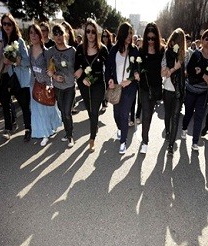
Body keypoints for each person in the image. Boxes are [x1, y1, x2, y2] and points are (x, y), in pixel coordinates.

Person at [105, 22, 140, 154]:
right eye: (128, 33)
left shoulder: (134, 50)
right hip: (116, 87)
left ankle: (123, 142)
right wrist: (110, 80)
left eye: (131, 33)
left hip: (130, 88)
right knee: (116, 114)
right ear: (122, 34)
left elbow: (137, 68)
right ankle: (120, 128)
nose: (130, 36)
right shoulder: (114, 50)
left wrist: (133, 77)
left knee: (125, 114)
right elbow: (108, 68)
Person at [74, 19, 108, 152]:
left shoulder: (102, 49)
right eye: (88, 31)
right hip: (84, 85)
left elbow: (110, 66)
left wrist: (111, 80)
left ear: (96, 33)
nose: (90, 34)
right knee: (90, 111)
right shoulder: (80, 49)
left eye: (93, 31)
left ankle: (92, 138)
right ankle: (95, 124)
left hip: (99, 84)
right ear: (85, 33)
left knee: (94, 110)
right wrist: (82, 78)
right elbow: (75, 67)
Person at [28, 24, 61, 147]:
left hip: (45, 84)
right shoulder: (29, 50)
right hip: (34, 84)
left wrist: (49, 84)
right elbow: (31, 67)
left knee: (48, 109)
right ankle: (44, 133)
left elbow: (51, 69)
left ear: (40, 35)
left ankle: (50, 128)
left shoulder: (46, 52)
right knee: (37, 111)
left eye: (36, 33)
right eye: (31, 33)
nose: (34, 36)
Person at [181, 29, 208, 151]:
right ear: (202, 40)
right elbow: (189, 70)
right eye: (207, 38)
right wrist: (202, 75)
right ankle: (184, 129)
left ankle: (195, 142)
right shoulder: (196, 54)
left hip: (203, 92)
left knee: (199, 116)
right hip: (191, 90)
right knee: (188, 113)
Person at [2, 13, 32, 141]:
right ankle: (29, 127)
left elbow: (27, 62)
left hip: (24, 79)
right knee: (21, 104)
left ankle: (28, 129)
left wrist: (15, 61)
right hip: (13, 78)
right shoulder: (4, 41)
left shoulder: (19, 41)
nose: (7, 26)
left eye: (9, 24)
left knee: (25, 106)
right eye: (4, 24)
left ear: (13, 25)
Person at [47, 24, 77, 147]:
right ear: (53, 36)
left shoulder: (72, 51)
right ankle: (67, 131)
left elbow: (78, 67)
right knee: (61, 110)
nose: (58, 36)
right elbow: (49, 70)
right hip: (57, 87)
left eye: (60, 33)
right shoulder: (50, 52)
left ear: (65, 34)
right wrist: (54, 76)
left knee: (66, 112)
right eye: (56, 34)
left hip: (69, 86)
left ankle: (70, 136)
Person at [137, 22, 164, 154]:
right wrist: (136, 72)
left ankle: (145, 134)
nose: (151, 41)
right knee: (146, 114)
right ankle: (145, 141)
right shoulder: (141, 51)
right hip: (144, 87)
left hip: (156, 87)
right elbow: (136, 66)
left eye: (153, 38)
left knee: (149, 115)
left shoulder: (161, 51)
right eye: (148, 38)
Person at [162, 28, 186, 155]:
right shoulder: (166, 53)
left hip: (178, 91)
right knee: (167, 114)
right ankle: (167, 132)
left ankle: (171, 146)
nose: (172, 43)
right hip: (167, 89)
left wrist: (179, 65)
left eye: (176, 41)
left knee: (175, 117)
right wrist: (172, 69)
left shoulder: (183, 55)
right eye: (172, 40)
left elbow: (183, 75)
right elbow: (164, 73)